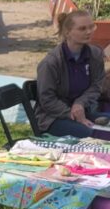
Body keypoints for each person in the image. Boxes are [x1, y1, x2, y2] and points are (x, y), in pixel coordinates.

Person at [36, 9, 108, 139]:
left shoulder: (95, 54)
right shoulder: (51, 63)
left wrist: (80, 103)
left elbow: (97, 85)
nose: (89, 32)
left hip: (83, 113)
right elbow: (46, 99)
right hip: (53, 118)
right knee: (98, 136)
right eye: (82, 29)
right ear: (67, 32)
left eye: (91, 27)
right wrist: (71, 113)